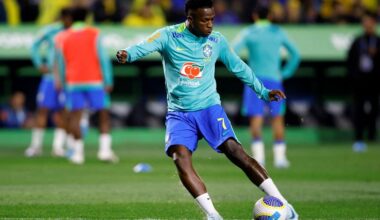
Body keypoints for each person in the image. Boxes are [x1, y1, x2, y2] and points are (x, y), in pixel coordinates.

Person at [116, 0, 298, 219]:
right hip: (179, 113)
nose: (210, 24)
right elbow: (143, 46)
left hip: (209, 108)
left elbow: (238, 67)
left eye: (212, 19)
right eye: (205, 20)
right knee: (180, 157)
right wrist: (127, 54)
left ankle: (285, 205)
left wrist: (263, 92)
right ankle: (212, 215)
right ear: (190, 19)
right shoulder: (168, 36)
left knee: (236, 152)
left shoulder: (216, 40)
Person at [233, 7, 300, 168]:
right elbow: (295, 54)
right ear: (270, 16)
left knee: (256, 119)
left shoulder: (248, 32)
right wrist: (285, 72)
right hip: (274, 80)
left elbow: (232, 51)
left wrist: (244, 71)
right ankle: (280, 159)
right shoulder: (278, 32)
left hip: (254, 80)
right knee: (277, 118)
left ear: (255, 15)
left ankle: (259, 159)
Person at [55, 7, 117, 165]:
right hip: (95, 81)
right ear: (87, 17)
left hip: (73, 82)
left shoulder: (62, 37)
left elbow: (61, 63)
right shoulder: (94, 33)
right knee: (103, 114)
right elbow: (102, 58)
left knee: (75, 116)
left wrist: (63, 82)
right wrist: (108, 80)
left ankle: (78, 154)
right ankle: (104, 151)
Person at [24, 8, 73, 158]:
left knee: (65, 112)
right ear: (62, 18)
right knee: (43, 110)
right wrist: (39, 64)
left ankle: (58, 148)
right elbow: (34, 46)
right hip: (51, 77)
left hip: (68, 79)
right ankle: (36, 146)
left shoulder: (74, 33)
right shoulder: (51, 31)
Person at [347, 12, 380, 152]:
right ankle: (358, 138)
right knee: (358, 110)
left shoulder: (378, 41)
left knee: (374, 109)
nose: (367, 25)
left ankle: (372, 136)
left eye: (369, 22)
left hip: (374, 81)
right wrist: (354, 77)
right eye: (364, 22)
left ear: (374, 24)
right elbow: (350, 61)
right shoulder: (357, 41)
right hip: (360, 82)